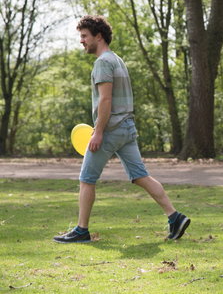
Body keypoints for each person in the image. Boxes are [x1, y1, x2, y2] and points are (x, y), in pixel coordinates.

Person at [54, 15, 190, 243]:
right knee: (140, 176)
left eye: (84, 36)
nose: (82, 41)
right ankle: (175, 217)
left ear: (98, 36)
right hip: (127, 128)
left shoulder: (103, 63)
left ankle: (81, 230)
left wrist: (98, 132)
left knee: (87, 178)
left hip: (111, 130)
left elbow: (105, 101)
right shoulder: (117, 60)